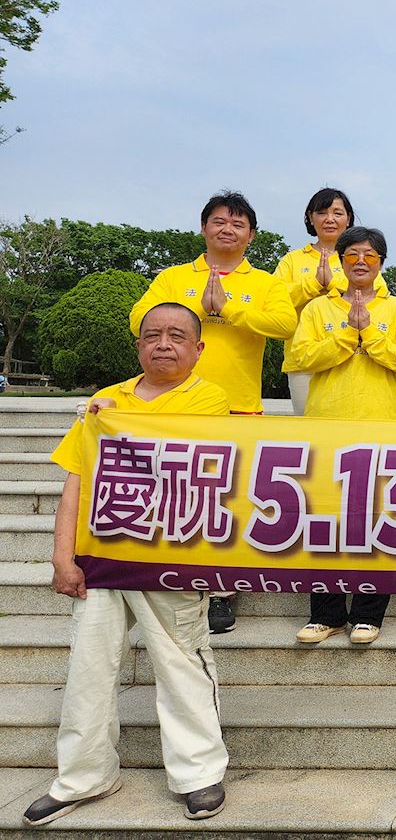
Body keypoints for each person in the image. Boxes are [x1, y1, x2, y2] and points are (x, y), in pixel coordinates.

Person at [23, 303, 229, 826]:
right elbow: (76, 480)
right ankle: (83, 776)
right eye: (152, 335)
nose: (164, 344)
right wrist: (62, 556)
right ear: (138, 346)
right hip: (101, 556)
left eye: (177, 336)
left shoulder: (208, 399)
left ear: (198, 349)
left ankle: (199, 774)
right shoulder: (106, 400)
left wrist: (110, 421)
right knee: (88, 669)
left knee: (182, 663)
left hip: (171, 556)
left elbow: (183, 460)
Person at [129, 190, 298, 635]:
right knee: (169, 494)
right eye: (219, 221)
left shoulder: (265, 283)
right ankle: (164, 577)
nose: (228, 229)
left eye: (238, 224)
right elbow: (139, 318)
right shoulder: (173, 277)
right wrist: (191, 314)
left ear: (251, 235)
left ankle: (221, 589)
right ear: (204, 227)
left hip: (236, 407)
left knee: (227, 500)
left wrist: (230, 308)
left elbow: (286, 325)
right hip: (171, 407)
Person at [287, 226, 396, 646]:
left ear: (381, 262)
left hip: (382, 422)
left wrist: (370, 333)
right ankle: (326, 614)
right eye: (352, 255)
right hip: (328, 423)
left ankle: (368, 613)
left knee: (378, 519)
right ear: (340, 261)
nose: (361, 262)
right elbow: (302, 357)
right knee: (324, 519)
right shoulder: (317, 309)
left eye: (370, 255)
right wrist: (348, 332)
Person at [274, 188, 388, 415]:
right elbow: (275, 300)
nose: (330, 219)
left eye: (337, 213)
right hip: (305, 361)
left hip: (355, 359)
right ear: (310, 217)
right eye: (322, 212)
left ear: (348, 218)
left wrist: (333, 284)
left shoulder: (362, 258)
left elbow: (380, 298)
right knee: (311, 428)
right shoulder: (292, 260)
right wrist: (313, 284)